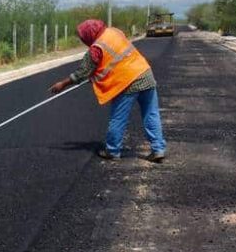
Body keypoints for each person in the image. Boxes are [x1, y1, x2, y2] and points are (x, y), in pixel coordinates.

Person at [49, 19, 166, 162]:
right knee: (151, 114)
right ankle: (158, 149)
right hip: (145, 72)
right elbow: (114, 58)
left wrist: (63, 83)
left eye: (83, 37)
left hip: (127, 81)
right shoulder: (114, 32)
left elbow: (83, 72)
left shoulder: (96, 48)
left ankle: (112, 150)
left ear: (88, 35)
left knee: (118, 118)